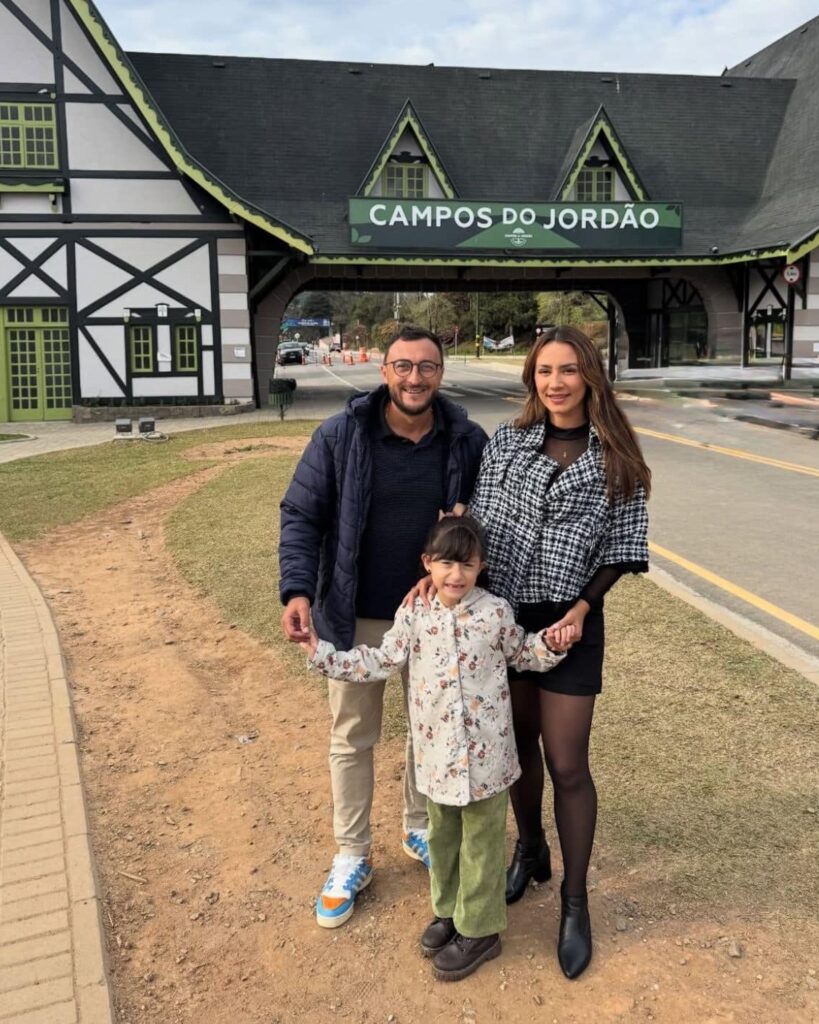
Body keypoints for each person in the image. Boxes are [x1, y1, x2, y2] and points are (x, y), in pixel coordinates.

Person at [299, 518, 575, 980]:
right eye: (446, 563)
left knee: (481, 845)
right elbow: (380, 659)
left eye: (467, 564)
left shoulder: (495, 612)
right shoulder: (414, 614)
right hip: (437, 760)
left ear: (481, 565)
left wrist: (553, 642)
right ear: (428, 563)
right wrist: (321, 654)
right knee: (442, 840)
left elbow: (523, 654)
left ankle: (481, 930)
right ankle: (449, 912)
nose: (456, 574)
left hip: (488, 760)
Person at [279, 323, 488, 929]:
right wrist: (298, 590)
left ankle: (419, 826)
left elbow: (489, 517)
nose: (414, 378)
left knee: (432, 730)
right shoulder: (340, 435)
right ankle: (352, 852)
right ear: (383, 371)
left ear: (440, 374)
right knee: (352, 736)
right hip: (354, 615)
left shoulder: (466, 440)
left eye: (426, 367)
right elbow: (301, 514)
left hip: (435, 621)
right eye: (403, 366)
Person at [468, 324, 651, 979]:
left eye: (568, 370)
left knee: (567, 762)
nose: (556, 382)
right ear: (532, 378)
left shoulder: (617, 455)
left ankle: (575, 902)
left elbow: (623, 547)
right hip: (508, 620)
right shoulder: (506, 443)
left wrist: (582, 607)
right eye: (544, 370)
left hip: (572, 623)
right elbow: (479, 525)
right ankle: (530, 850)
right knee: (518, 750)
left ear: (589, 375)